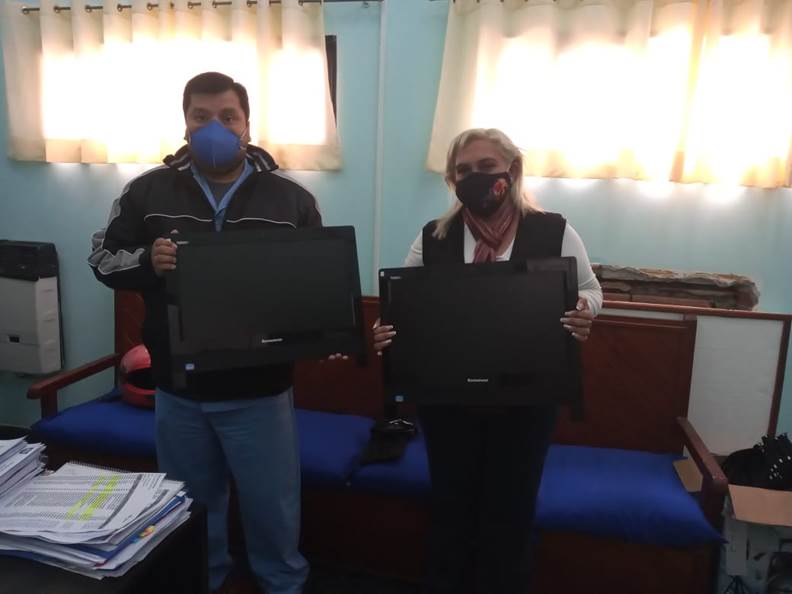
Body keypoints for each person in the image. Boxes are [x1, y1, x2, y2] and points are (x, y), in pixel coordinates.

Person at [89, 72, 319, 594]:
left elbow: (313, 283)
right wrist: (148, 261)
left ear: (247, 125)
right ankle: (204, 581)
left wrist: (324, 334)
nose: (215, 126)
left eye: (227, 116)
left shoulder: (291, 199)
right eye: (201, 116)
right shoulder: (146, 191)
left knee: (273, 506)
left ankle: (282, 584)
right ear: (186, 123)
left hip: (260, 389)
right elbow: (101, 259)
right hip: (179, 388)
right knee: (191, 506)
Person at [373, 128, 603, 594]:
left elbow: (590, 289)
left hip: (527, 399)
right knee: (451, 510)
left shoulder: (553, 229)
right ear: (451, 179)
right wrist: (386, 329)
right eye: (463, 171)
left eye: (486, 167)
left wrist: (583, 311)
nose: (474, 177)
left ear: (512, 170)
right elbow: (403, 303)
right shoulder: (434, 236)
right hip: (448, 401)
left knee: (511, 515)